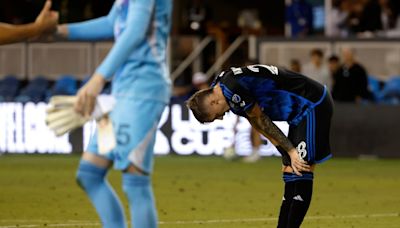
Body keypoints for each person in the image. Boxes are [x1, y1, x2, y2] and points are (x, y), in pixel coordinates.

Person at [55, 0, 172, 227]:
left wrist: (99, 78)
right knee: (89, 174)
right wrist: (60, 31)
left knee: (135, 183)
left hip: (142, 92)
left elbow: (136, 30)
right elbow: (112, 23)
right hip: (121, 95)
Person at [186, 64, 333, 228]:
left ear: (213, 102)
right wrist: (284, 151)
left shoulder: (232, 88)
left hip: (312, 104)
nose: (220, 118)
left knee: (302, 168)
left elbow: (261, 119)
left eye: (214, 117)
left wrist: (291, 150)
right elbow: (255, 122)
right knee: (289, 171)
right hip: (297, 115)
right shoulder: (222, 88)